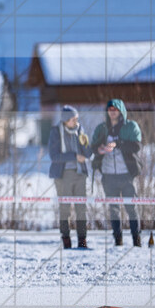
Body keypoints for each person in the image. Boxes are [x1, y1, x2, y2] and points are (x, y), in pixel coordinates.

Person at [91, 99, 142, 247]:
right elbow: (93, 147)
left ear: (121, 111)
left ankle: (136, 239)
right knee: (113, 209)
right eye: (110, 109)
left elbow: (136, 146)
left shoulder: (131, 126)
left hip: (126, 174)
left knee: (131, 208)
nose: (112, 111)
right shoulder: (102, 128)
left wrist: (118, 144)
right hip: (108, 175)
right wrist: (99, 149)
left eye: (115, 109)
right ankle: (118, 240)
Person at [47, 105, 90, 249]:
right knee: (65, 208)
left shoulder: (80, 130)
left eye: (77, 118)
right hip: (63, 175)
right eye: (73, 119)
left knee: (81, 209)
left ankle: (82, 240)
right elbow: (54, 156)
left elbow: (88, 152)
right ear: (66, 120)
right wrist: (74, 157)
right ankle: (66, 239)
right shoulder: (55, 132)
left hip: (80, 174)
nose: (76, 121)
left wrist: (87, 146)